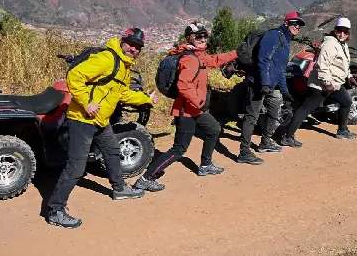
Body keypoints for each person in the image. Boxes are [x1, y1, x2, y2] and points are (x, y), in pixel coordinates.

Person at [47, 27, 160, 229]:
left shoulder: (124, 66)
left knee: (112, 151)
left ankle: (119, 189)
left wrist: (146, 99)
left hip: (100, 120)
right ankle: (55, 210)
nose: (134, 49)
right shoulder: (108, 59)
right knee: (76, 167)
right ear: (122, 41)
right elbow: (74, 75)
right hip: (83, 119)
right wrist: (87, 102)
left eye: (138, 47)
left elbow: (123, 94)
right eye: (131, 44)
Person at [133, 22, 238, 192]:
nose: (203, 39)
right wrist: (199, 102)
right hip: (187, 111)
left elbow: (215, 60)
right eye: (198, 36)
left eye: (205, 36)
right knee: (179, 149)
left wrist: (236, 53)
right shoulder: (190, 59)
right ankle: (146, 178)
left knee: (213, 129)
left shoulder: (199, 55)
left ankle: (205, 164)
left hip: (196, 109)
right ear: (190, 38)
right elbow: (183, 85)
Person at [237, 12, 303, 165]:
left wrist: (285, 91)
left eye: (299, 25)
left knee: (275, 109)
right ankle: (244, 152)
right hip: (258, 83)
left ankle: (265, 142)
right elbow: (263, 59)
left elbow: (279, 69)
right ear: (286, 22)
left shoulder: (285, 41)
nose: (297, 27)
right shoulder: (274, 35)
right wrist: (265, 83)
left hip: (270, 85)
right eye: (294, 23)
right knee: (251, 116)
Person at [280, 17, 357, 147]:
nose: (342, 34)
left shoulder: (342, 44)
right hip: (321, 85)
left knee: (347, 101)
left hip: (335, 84)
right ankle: (287, 137)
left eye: (345, 31)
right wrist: (327, 83)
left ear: (349, 33)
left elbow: (343, 64)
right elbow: (322, 65)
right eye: (340, 30)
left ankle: (342, 130)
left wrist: (349, 76)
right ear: (335, 30)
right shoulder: (329, 44)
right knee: (305, 109)